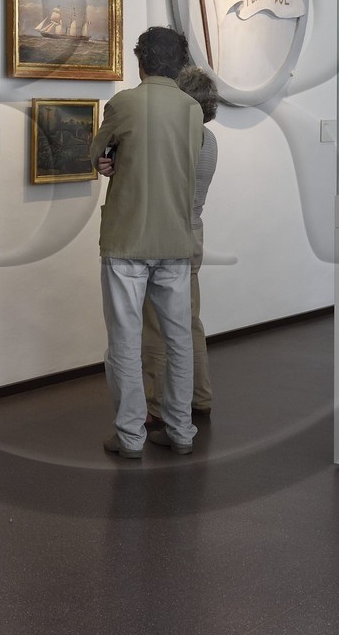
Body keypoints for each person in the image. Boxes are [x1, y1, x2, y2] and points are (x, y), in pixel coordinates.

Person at [89, 27, 203, 459]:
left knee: (125, 340)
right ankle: (181, 430)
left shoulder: (124, 103)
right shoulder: (193, 109)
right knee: (179, 340)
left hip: (126, 241)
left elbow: (98, 151)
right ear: (181, 64)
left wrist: (105, 161)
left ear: (140, 61)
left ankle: (131, 436)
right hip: (175, 237)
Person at [140, 65, 218, 428]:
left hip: (169, 237)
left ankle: (158, 408)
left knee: (157, 325)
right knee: (189, 321)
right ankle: (200, 398)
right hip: (193, 234)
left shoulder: (181, 138)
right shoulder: (209, 139)